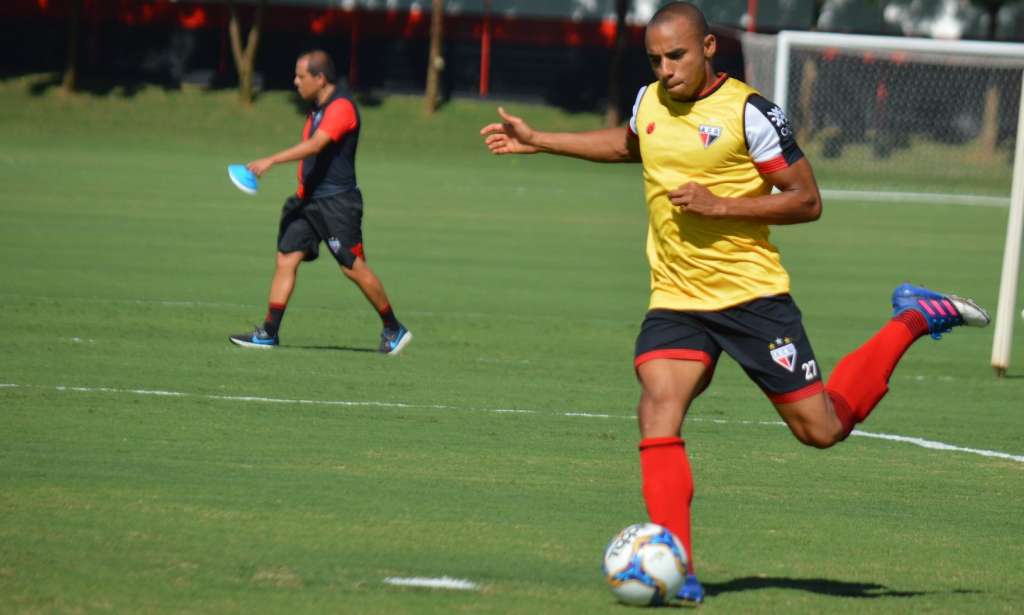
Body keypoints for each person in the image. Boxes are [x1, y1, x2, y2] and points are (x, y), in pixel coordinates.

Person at [479, 2, 989, 604]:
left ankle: (913, 319)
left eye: (677, 56)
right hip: (676, 296)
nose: (666, 69)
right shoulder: (650, 102)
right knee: (657, 407)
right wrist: (541, 141)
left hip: (752, 298)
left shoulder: (750, 113)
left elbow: (805, 199)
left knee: (822, 430)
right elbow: (629, 144)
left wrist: (722, 205)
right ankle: (680, 569)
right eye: (656, 59)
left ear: (708, 49)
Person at [229, 50, 412, 356]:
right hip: (308, 202)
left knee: (353, 268)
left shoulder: (341, 108)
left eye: (301, 76)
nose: (295, 82)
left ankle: (393, 328)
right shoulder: (316, 109)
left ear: (320, 78)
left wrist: (271, 160)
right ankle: (268, 333)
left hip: (337, 204)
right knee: (286, 258)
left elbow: (316, 145)